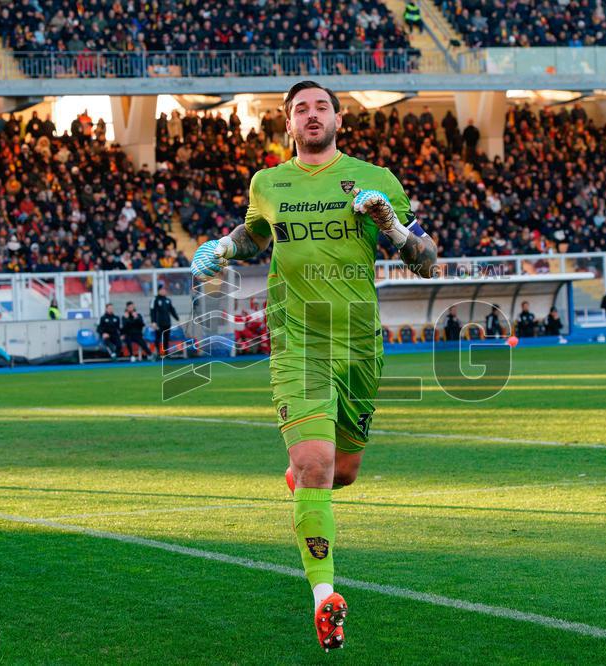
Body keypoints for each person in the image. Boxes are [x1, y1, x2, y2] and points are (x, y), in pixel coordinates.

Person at [189, 80, 437, 653]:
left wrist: (391, 226)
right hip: (296, 342)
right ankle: (324, 596)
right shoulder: (267, 182)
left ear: (339, 119)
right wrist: (222, 249)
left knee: (341, 472)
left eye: (321, 106)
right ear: (288, 124)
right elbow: (255, 236)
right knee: (317, 465)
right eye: (300, 109)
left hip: (358, 346)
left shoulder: (377, 180)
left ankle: (302, 486)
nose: (311, 115)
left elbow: (426, 262)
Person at [149, 284, 179, 355]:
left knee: (166, 338)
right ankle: (157, 353)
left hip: (167, 322)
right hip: (158, 323)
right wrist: (153, 321)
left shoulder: (168, 300)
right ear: (158, 291)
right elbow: (152, 311)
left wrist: (177, 319)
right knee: (158, 338)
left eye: (164, 290)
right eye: (162, 290)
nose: (163, 291)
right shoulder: (155, 299)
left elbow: (172, 310)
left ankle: (166, 353)